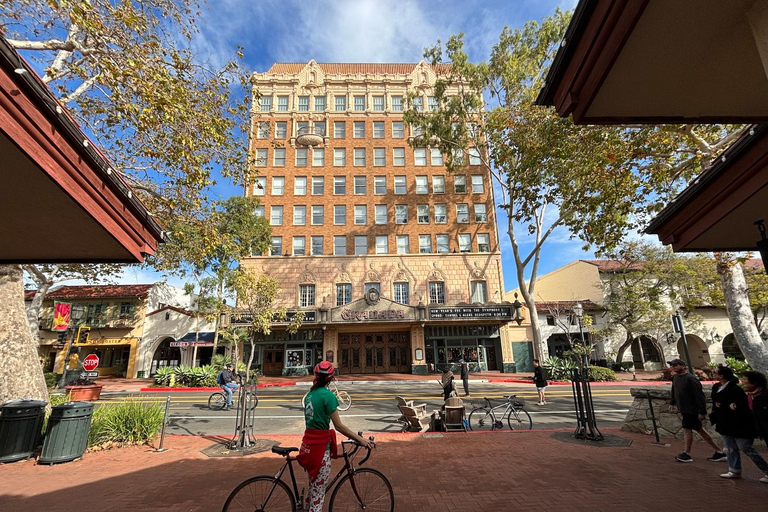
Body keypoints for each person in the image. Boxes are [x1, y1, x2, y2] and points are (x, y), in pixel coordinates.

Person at [297, 361, 374, 512]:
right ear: (331, 378)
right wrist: (361, 440)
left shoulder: (309, 395)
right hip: (320, 451)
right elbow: (338, 426)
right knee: (318, 496)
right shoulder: (328, 396)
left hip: (307, 448)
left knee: (313, 489)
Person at [710, 366, 768, 481]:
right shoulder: (717, 387)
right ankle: (734, 470)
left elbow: (744, 408)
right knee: (730, 447)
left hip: (740, 425)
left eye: (745, 379)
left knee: (746, 447)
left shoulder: (736, 390)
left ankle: (766, 469)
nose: (743, 381)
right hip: (724, 423)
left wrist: (733, 406)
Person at [667, 358, 725, 463]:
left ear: (683, 366)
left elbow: (699, 396)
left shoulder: (690, 379)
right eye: (672, 365)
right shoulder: (675, 378)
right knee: (699, 430)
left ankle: (687, 453)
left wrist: (701, 411)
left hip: (691, 410)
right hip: (684, 409)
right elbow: (674, 391)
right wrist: (672, 402)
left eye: (676, 365)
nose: (673, 367)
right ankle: (719, 451)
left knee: (687, 430)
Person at [744, 370, 768, 444]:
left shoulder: (765, 396)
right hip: (762, 430)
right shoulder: (749, 396)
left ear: (754, 382)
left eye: (745, 379)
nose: (742, 381)